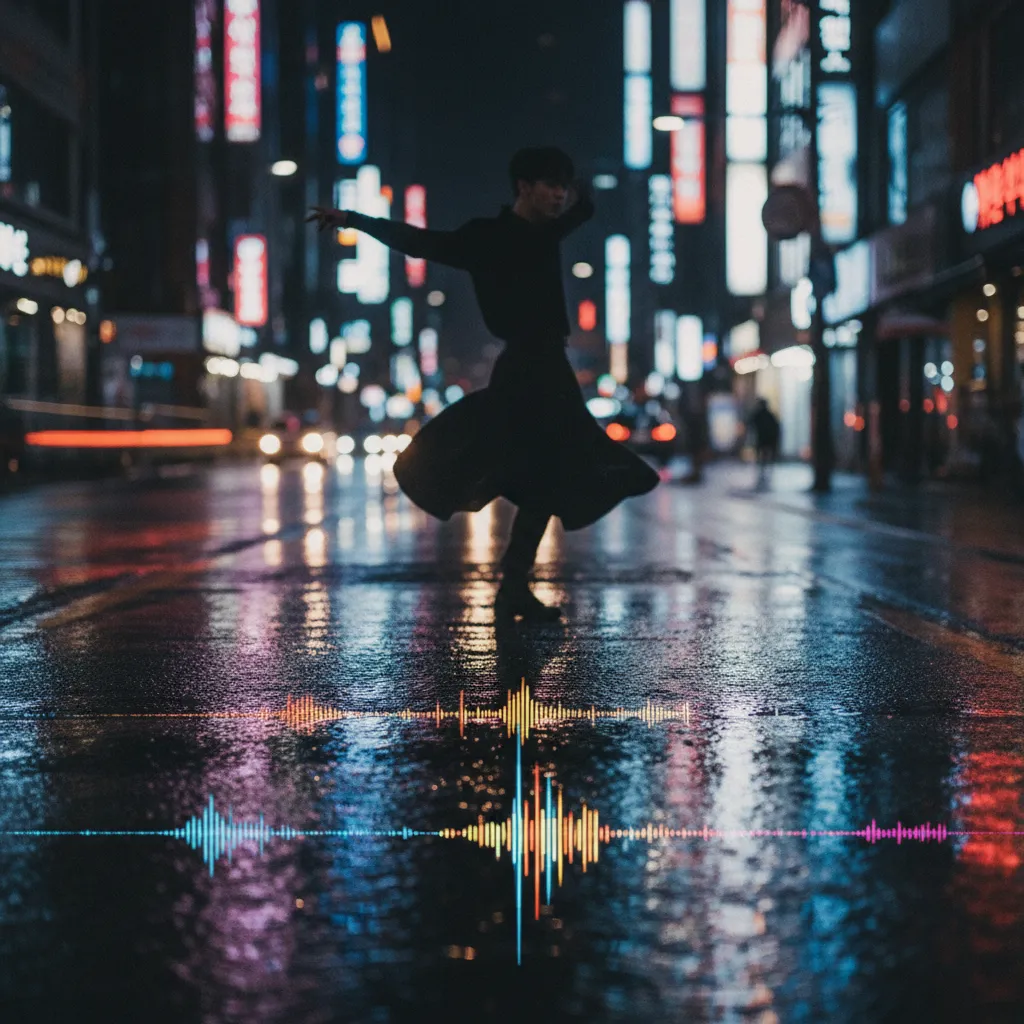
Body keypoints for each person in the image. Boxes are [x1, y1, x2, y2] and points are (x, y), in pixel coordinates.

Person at [307, 146, 659, 622]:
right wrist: (353, 218)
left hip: (551, 364)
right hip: (525, 367)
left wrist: (590, 185)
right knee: (532, 467)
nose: (559, 194)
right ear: (524, 187)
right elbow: (420, 241)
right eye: (551, 184)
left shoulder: (550, 231)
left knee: (544, 476)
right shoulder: (487, 238)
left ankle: (514, 585)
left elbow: (585, 208)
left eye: (564, 185)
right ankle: (511, 581)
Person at [748, 397, 780, 481]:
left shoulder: (760, 414)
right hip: (766, 438)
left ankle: (762, 468)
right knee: (764, 454)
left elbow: (750, 423)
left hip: (763, 438)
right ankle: (763, 468)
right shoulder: (769, 415)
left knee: (762, 454)